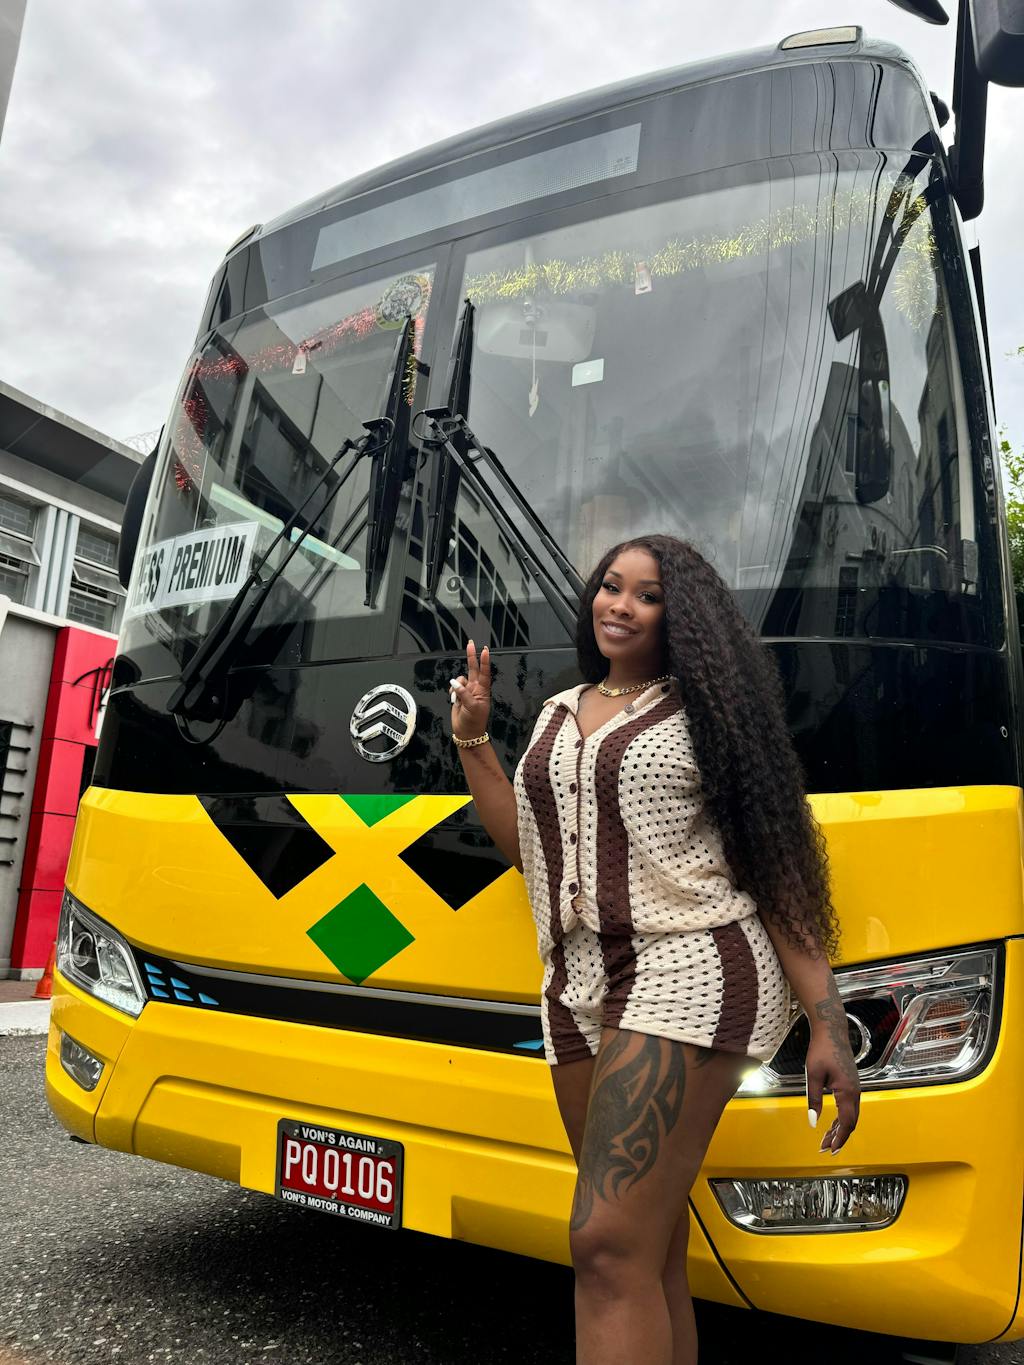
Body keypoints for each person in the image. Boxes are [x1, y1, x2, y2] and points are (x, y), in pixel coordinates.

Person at [448, 534, 860, 1365]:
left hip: (691, 965)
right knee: (645, 1247)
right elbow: (531, 850)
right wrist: (475, 740)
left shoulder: (706, 717)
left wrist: (828, 1023)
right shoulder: (558, 711)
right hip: (576, 982)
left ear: (683, 617)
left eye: (647, 594)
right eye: (611, 585)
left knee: (604, 1244)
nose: (621, 605)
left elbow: (777, 868)